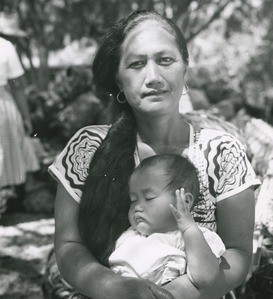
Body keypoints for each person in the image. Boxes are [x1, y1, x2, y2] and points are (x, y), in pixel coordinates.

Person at [48, 9, 260, 299]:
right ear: (119, 80)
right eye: (136, 64)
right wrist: (118, 289)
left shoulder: (222, 153)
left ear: (185, 68)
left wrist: (180, 291)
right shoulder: (88, 147)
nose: (153, 77)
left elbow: (238, 254)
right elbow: (69, 245)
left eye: (165, 60)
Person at [109, 154, 226, 288]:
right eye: (133, 200)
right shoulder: (130, 237)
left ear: (184, 202)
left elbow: (204, 277)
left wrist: (189, 230)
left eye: (149, 198)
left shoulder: (191, 238)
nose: (137, 207)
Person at [0, 12, 39, 215]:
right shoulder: (6, 48)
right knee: (4, 152)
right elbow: (17, 87)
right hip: (2, 103)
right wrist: (25, 117)